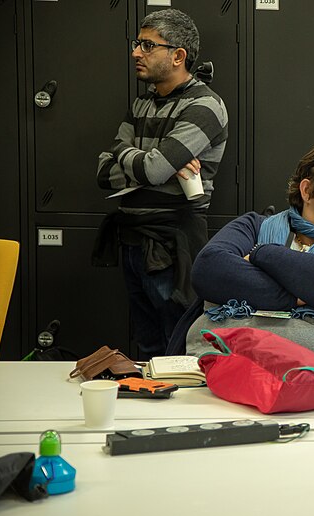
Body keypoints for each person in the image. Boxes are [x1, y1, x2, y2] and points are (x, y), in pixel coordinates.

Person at [168, 138, 314, 365]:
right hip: (216, 366)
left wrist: (261, 255)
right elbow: (209, 269)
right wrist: (300, 292)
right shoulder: (253, 226)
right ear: (307, 190)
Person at [94, 9, 228, 360]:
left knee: (177, 347)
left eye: (147, 45)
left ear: (177, 55)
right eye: (137, 43)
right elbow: (102, 174)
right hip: (133, 241)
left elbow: (152, 170)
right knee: (148, 348)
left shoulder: (205, 105)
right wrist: (147, 159)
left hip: (172, 245)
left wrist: (129, 154)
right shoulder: (142, 102)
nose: (136, 52)